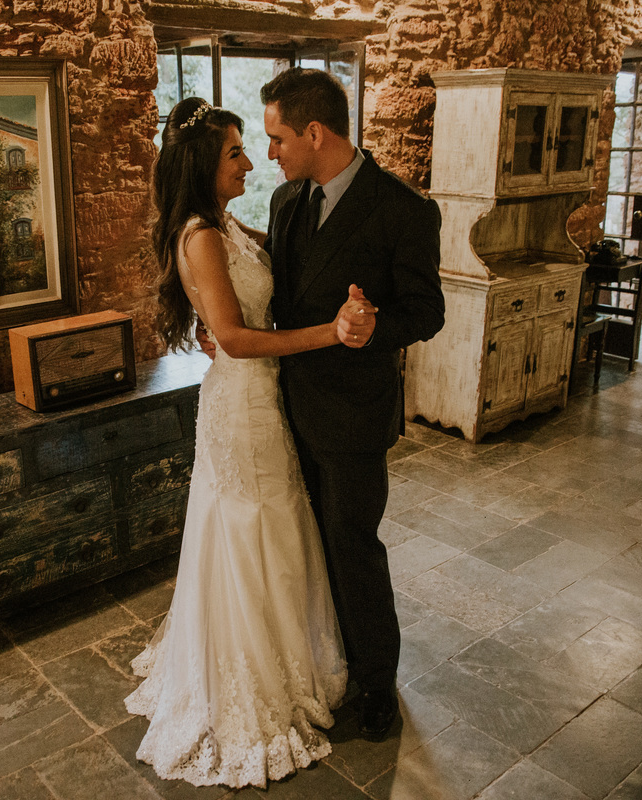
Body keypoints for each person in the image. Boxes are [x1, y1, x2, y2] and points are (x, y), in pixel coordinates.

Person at [123, 96, 374, 788]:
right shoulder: (201, 236)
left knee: (273, 528)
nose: (249, 160)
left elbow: (273, 278)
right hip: (243, 406)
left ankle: (286, 654)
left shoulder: (226, 225)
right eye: (236, 150)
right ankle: (248, 681)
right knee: (251, 529)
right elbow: (232, 338)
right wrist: (332, 333)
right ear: (206, 163)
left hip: (259, 403)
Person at [259, 67, 445, 742]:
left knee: (352, 548)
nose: (270, 152)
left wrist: (377, 330)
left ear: (315, 132)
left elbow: (428, 309)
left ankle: (375, 687)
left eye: (278, 137)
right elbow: (284, 296)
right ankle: (327, 664)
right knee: (306, 547)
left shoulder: (403, 209)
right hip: (287, 409)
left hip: (353, 416)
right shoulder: (284, 204)